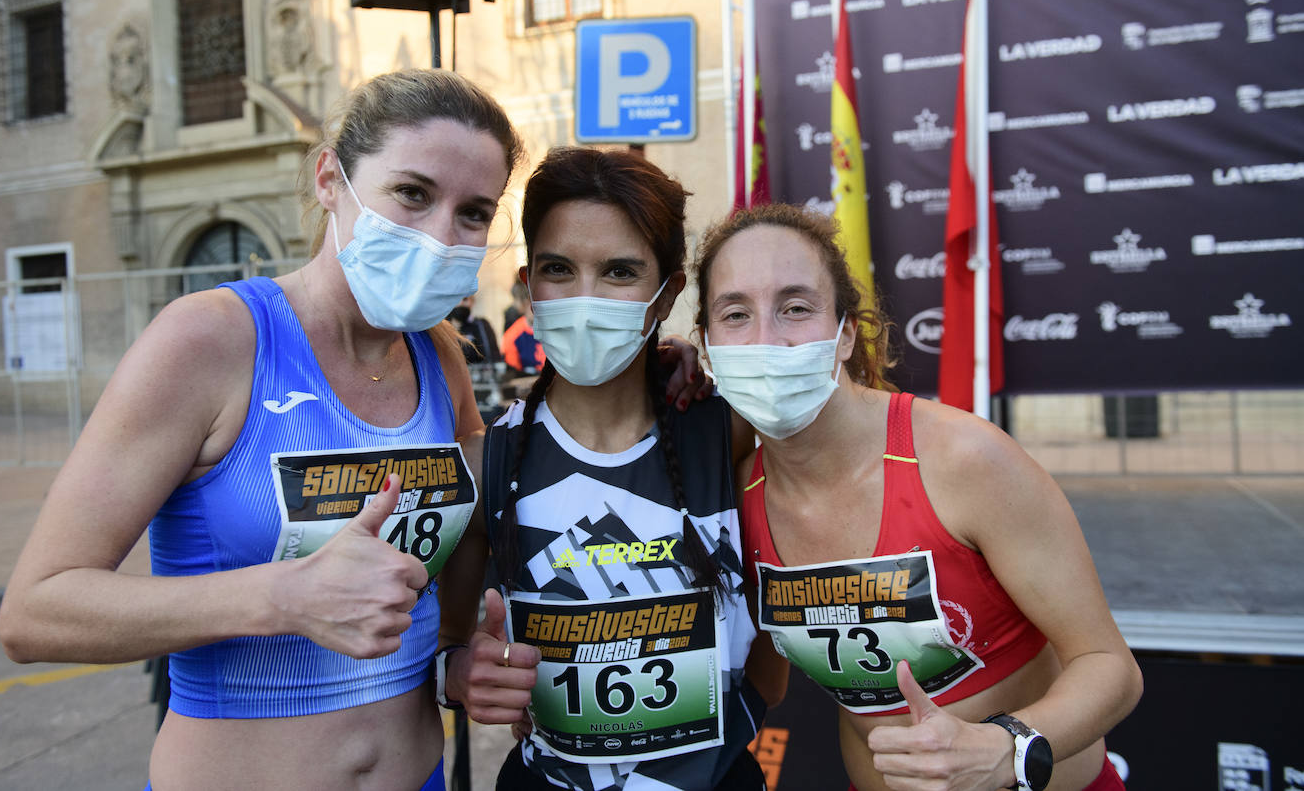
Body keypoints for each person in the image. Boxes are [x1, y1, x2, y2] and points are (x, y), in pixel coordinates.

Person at [0, 69, 524, 791]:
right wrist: (282, 597)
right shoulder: (211, 339)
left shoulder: (437, 356)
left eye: (473, 213)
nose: (440, 235)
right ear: (330, 179)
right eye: (412, 193)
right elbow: (34, 611)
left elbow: (466, 539)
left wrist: (457, 654)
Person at [692, 204, 1142, 791]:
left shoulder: (964, 462)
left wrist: (1004, 747)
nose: (767, 340)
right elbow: (767, 684)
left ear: (846, 333)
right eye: (735, 315)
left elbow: (1110, 669)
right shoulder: (736, 500)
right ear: (705, 345)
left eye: (796, 308)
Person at [438, 147, 779, 790]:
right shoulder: (488, 465)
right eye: (559, 269)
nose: (586, 298)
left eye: (620, 271)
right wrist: (463, 674)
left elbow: (770, 662)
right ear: (527, 283)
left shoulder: (730, 432)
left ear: (667, 290)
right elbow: (447, 649)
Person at [501, 288, 545, 376]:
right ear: (524, 306)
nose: (535, 310)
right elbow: (513, 372)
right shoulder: (512, 335)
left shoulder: (553, 329)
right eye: (531, 305)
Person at [450, 293, 501, 366]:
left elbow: (492, 356)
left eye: (465, 299)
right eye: (456, 299)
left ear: (472, 301)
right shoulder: (442, 328)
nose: (460, 303)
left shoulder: (482, 326)